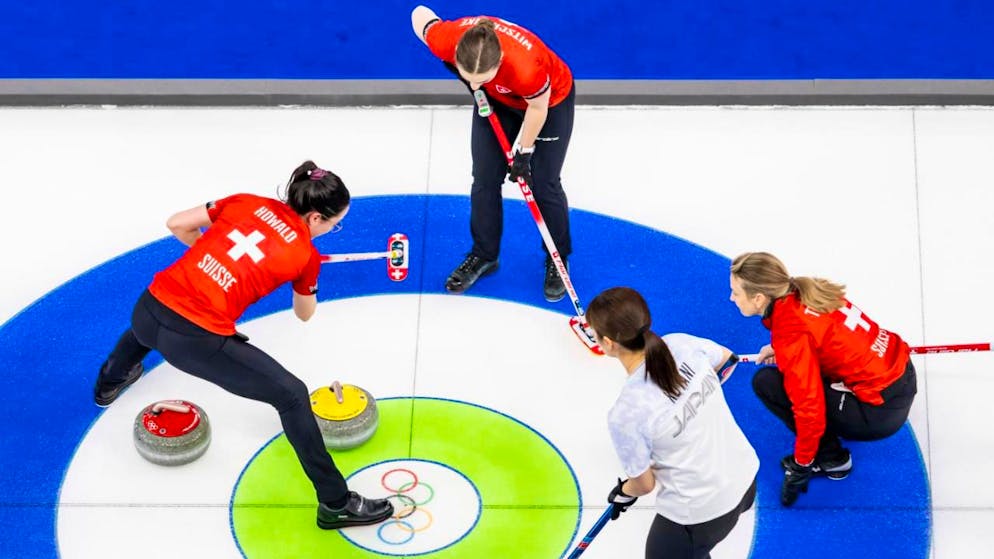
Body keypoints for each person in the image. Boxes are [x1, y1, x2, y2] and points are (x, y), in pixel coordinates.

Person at [92, 161, 393, 530]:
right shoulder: (305, 255)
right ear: (315, 218)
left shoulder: (246, 202)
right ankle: (336, 502)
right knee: (294, 396)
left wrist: (214, 256)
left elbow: (177, 223)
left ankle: (109, 381)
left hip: (148, 308)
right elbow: (304, 314)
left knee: (145, 331)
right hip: (194, 340)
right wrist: (308, 277)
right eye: (334, 224)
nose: (332, 229)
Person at [411, 6, 576, 301]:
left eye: (480, 77)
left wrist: (524, 152)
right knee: (485, 178)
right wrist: (481, 85)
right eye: (468, 77)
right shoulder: (449, 40)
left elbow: (537, 109)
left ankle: (557, 258)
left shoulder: (528, 66)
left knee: (544, 183)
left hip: (548, 104)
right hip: (494, 99)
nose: (473, 84)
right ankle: (484, 255)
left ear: (499, 60)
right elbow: (419, 14)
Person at [729, 252, 917, 506]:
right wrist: (786, 354)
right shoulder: (804, 291)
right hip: (900, 373)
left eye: (736, 292)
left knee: (767, 384)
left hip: (879, 411)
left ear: (759, 298)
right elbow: (831, 339)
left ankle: (833, 460)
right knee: (792, 377)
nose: (732, 298)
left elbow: (809, 408)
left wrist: (802, 463)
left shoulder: (791, 329)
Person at [586, 287, 758, 559]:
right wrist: (695, 402)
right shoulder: (681, 344)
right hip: (746, 478)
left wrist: (623, 492)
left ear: (607, 342)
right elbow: (727, 359)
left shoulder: (626, 413)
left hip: (701, 512)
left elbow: (643, 484)